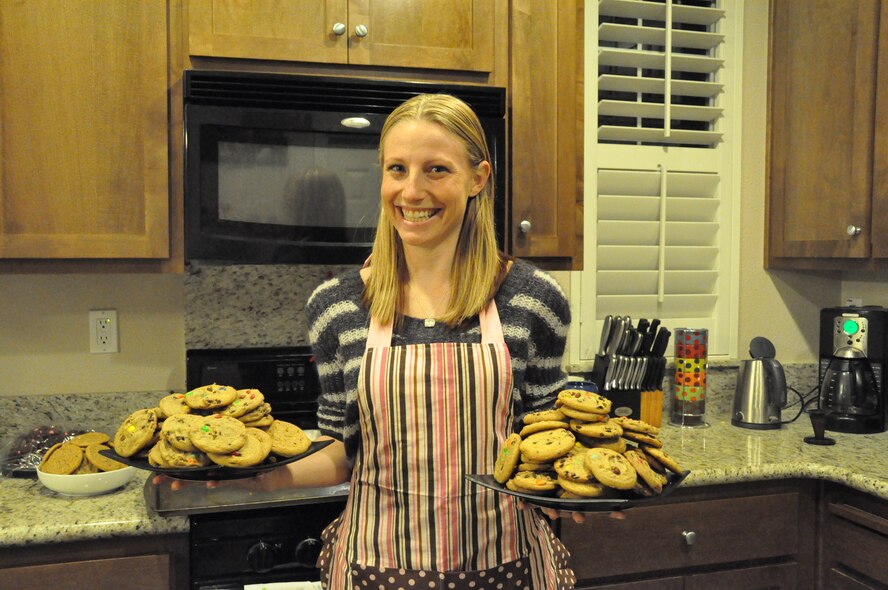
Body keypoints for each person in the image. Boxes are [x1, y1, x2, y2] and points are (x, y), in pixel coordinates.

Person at [302, 93, 577, 588]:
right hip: (373, 570)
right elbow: (338, 450)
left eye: (436, 170)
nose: (411, 191)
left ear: (478, 178)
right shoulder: (337, 307)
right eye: (397, 169)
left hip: (507, 569)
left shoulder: (533, 299)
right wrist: (249, 474)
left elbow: (546, 445)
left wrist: (586, 488)